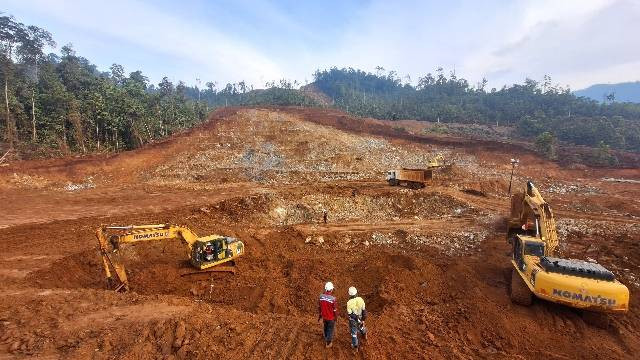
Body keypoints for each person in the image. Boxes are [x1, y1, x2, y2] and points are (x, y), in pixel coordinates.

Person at [346, 286, 367, 351]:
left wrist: (356, 319)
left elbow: (350, 314)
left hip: (353, 320)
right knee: (361, 327)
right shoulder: (361, 299)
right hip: (360, 317)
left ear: (349, 294)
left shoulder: (349, 303)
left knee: (354, 333)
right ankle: (364, 333)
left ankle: (355, 346)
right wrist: (363, 319)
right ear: (356, 293)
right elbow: (364, 311)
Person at [318, 281, 337, 347]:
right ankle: (328, 343)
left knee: (325, 327)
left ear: (325, 289)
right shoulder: (333, 299)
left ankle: (325, 336)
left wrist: (320, 316)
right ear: (331, 289)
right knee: (330, 330)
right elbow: (335, 310)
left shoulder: (321, 297)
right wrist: (336, 318)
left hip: (324, 317)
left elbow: (319, 307)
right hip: (331, 318)